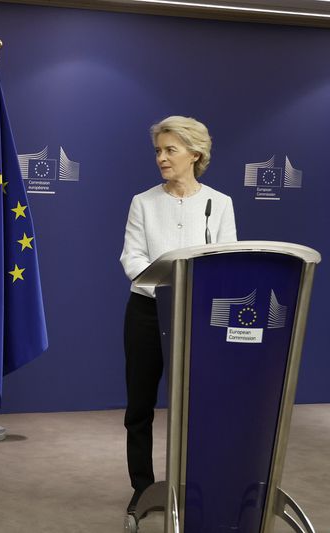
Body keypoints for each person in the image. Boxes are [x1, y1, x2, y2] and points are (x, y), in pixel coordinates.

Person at [119, 115, 237, 514]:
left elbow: (229, 259)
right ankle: (143, 488)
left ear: (195, 153)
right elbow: (131, 257)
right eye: (158, 151)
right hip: (148, 312)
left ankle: (198, 484)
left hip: (200, 316)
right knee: (140, 405)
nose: (162, 158)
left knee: (200, 405)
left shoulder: (220, 204)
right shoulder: (143, 202)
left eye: (171, 150)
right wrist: (165, 283)